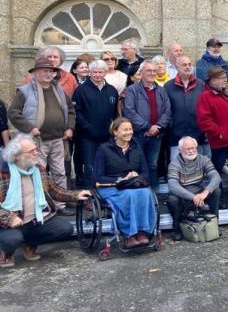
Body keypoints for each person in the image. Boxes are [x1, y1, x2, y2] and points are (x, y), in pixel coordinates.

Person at [0, 134, 90, 268]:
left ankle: (28, 244)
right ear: (17, 155)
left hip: (35, 221)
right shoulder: (3, 173)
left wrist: (76, 195)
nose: (36, 153)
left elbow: (54, 190)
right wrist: (9, 218)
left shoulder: (38, 169)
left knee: (65, 229)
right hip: (8, 225)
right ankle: (6, 252)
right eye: (31, 151)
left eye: (36, 149)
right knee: (12, 239)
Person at [9, 57, 76, 215]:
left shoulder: (58, 89)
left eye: (51, 71)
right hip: (36, 141)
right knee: (38, 173)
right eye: (44, 70)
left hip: (58, 139)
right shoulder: (24, 91)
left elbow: (71, 110)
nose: (48, 73)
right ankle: (42, 205)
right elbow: (13, 113)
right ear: (36, 73)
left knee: (60, 172)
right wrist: (30, 127)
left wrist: (69, 127)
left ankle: (61, 204)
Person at [93, 118, 158, 248]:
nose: (129, 132)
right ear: (115, 132)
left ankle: (142, 231)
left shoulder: (136, 146)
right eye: (125, 130)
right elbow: (97, 176)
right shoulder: (104, 149)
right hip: (110, 186)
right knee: (129, 196)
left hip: (133, 184)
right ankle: (128, 234)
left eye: (130, 129)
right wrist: (119, 180)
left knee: (145, 193)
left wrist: (137, 176)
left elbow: (146, 171)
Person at [196, 67, 228, 206]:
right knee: (216, 172)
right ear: (212, 80)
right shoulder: (206, 96)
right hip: (220, 141)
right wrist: (220, 133)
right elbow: (204, 122)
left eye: (225, 78)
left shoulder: (224, 92)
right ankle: (217, 199)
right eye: (221, 78)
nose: (225, 80)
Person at [123, 60, 172, 187]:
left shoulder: (161, 90)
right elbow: (129, 112)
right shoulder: (131, 90)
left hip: (156, 135)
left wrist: (157, 127)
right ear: (141, 72)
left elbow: (168, 111)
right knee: (136, 164)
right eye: (148, 70)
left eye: (154, 71)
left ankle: (152, 193)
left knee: (153, 164)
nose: (152, 73)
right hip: (138, 134)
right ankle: (138, 191)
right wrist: (148, 126)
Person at [72, 60, 119, 188]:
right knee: (90, 167)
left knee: (107, 165)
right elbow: (76, 112)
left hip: (107, 136)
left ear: (105, 72)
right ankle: (90, 196)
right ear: (90, 73)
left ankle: (105, 193)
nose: (97, 75)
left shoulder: (112, 90)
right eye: (94, 72)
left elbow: (115, 114)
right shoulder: (81, 90)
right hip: (87, 137)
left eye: (100, 72)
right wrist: (87, 127)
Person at [166, 137, 221, 241]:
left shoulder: (203, 159)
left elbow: (216, 177)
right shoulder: (174, 164)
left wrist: (205, 193)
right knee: (172, 199)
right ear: (180, 150)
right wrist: (193, 197)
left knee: (217, 191)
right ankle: (176, 229)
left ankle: (214, 225)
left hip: (200, 195)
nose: (191, 151)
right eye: (188, 149)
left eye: (193, 148)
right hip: (183, 197)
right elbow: (173, 186)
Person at [164, 55, 208, 163]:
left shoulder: (201, 85)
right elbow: (166, 110)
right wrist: (171, 126)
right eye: (184, 65)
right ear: (177, 67)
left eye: (189, 64)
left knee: (197, 168)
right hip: (176, 134)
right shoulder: (168, 86)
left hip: (197, 133)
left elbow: (206, 108)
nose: (188, 67)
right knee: (177, 167)